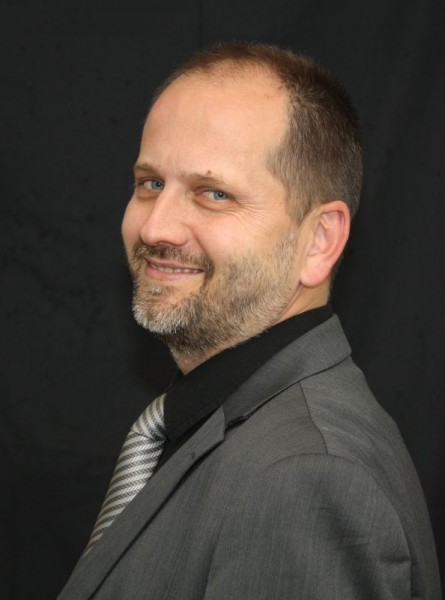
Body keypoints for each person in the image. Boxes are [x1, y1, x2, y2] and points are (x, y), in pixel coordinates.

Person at [58, 42, 441, 599]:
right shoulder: (227, 423)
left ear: (319, 240)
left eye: (214, 194)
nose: (156, 228)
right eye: (150, 183)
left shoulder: (306, 479)